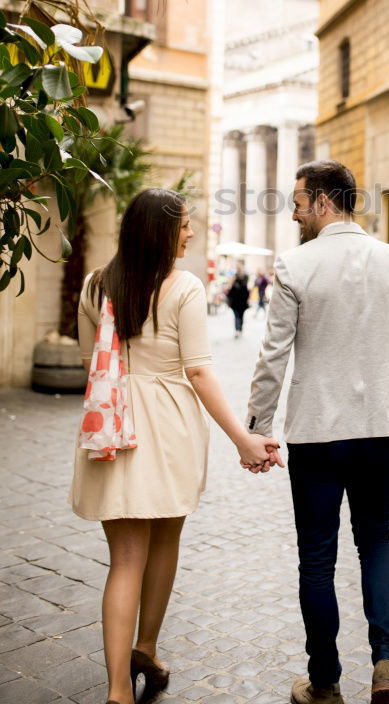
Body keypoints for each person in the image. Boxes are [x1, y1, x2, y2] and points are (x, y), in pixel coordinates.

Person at [245, 160, 389, 704]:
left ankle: (326, 682)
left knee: (317, 558)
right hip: (380, 430)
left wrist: (258, 429)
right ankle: (386, 665)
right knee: (376, 540)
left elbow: (272, 357)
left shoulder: (294, 265)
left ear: (325, 202)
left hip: (316, 433)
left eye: (298, 201)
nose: (292, 212)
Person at [70, 188, 281, 704]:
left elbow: (88, 365)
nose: (190, 231)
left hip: (112, 426)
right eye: (185, 224)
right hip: (168, 428)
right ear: (162, 229)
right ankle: (145, 646)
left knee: (124, 561)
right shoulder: (183, 287)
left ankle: (119, 688)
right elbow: (199, 370)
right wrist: (243, 438)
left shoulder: (95, 286)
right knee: (165, 541)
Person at [226, 262, 250, 337]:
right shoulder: (236, 277)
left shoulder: (244, 277)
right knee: (238, 316)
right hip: (238, 301)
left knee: (239, 316)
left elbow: (246, 290)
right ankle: (238, 329)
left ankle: (238, 329)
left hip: (240, 301)